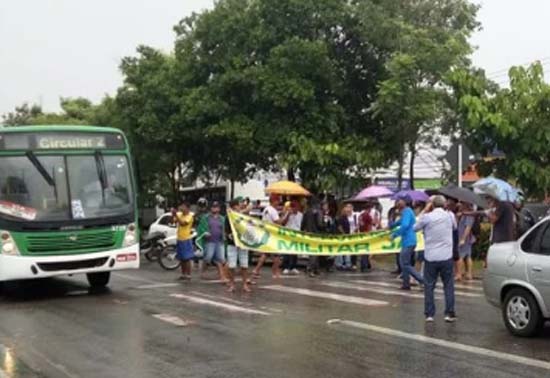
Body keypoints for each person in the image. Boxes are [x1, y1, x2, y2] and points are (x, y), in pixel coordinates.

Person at [414, 195, 457, 323]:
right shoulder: (450, 216)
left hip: (431, 257)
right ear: (444, 205)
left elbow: (415, 227)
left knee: (429, 286)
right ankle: (449, 313)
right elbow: (454, 227)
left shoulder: (427, 217)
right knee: (448, 285)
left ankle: (429, 314)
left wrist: (425, 210)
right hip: (446, 257)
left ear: (432, 205)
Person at [391, 194, 424, 290]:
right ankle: (406, 283)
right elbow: (399, 222)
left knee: (405, 264)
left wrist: (395, 234)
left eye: (400, 200)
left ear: (405, 202)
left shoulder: (407, 211)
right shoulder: (407, 212)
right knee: (404, 263)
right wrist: (390, 226)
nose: (397, 202)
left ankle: (422, 280)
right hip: (408, 241)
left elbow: (404, 225)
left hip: (409, 241)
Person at [252, 195, 289, 279]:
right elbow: (278, 222)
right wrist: (286, 215)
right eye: (278, 201)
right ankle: (275, 272)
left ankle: (256, 270)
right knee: (276, 254)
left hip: (266, 233)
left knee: (265, 254)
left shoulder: (266, 209)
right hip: (272, 235)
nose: (279, 202)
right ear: (274, 201)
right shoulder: (272, 210)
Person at [225, 199, 251, 293]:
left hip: (243, 243)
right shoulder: (229, 216)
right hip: (232, 243)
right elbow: (227, 231)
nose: (240, 205)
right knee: (232, 266)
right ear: (234, 206)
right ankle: (232, 284)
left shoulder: (243, 215)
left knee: (244, 265)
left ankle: (244, 284)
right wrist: (230, 236)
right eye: (238, 204)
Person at [199, 201, 227, 281]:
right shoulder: (206, 217)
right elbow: (201, 228)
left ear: (219, 208)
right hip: (209, 241)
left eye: (216, 207)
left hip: (219, 241)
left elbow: (224, 229)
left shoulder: (222, 218)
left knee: (220, 259)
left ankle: (221, 275)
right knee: (208, 258)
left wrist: (224, 236)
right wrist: (205, 233)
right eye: (213, 207)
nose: (215, 208)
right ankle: (203, 271)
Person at [173, 202, 194, 280]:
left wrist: (176, 215)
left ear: (188, 208)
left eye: (183, 207)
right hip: (179, 238)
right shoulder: (179, 214)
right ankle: (183, 274)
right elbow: (174, 222)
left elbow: (182, 224)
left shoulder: (190, 216)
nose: (182, 208)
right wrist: (173, 214)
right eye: (181, 206)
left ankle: (188, 274)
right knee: (182, 258)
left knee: (187, 258)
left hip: (186, 238)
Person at [302, 197, 323, 277]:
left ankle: (316, 269)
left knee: (312, 251)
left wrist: (303, 231)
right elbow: (320, 224)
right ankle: (310, 269)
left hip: (308, 233)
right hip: (316, 233)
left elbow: (303, 223)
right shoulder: (319, 212)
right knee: (315, 252)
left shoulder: (307, 211)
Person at [282, 201, 303, 275]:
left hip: (297, 234)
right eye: (293, 207)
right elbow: (283, 223)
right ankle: (286, 267)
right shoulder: (287, 214)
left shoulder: (301, 215)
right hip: (288, 234)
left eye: (296, 207)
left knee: (295, 251)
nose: (295, 209)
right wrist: (288, 215)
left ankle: (293, 266)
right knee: (287, 251)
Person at [457, 202, 475, 281]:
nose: (459, 204)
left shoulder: (469, 215)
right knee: (467, 256)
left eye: (461, 203)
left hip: (464, 238)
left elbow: (468, 228)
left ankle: (460, 274)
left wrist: (463, 239)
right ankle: (468, 273)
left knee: (460, 256)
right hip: (463, 238)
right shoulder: (464, 214)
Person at [335, 204, 354, 270]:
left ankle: (347, 264)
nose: (348, 212)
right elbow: (339, 227)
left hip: (346, 236)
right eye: (346, 211)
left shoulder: (346, 218)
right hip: (342, 236)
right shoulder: (340, 218)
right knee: (340, 250)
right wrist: (344, 234)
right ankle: (339, 264)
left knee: (347, 250)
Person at [359, 202, 374, 272]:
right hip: (367, 234)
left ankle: (366, 265)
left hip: (362, 233)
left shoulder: (361, 215)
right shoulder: (367, 215)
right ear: (369, 208)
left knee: (364, 250)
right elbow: (372, 223)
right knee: (366, 250)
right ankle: (364, 266)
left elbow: (360, 224)